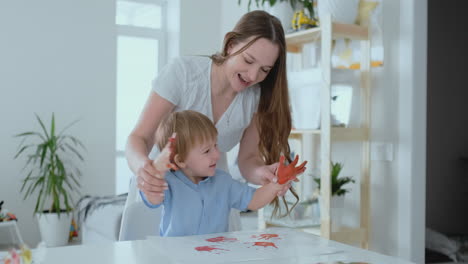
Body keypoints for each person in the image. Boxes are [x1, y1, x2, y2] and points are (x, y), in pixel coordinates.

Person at [120, 10, 295, 239]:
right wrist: (146, 170)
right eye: (248, 60)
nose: (253, 75)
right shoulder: (183, 74)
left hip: (213, 197)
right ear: (231, 44)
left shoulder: (255, 98)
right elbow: (138, 138)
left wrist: (263, 173)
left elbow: (247, 160)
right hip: (160, 187)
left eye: (264, 70)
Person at [142, 110, 303, 237]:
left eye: (216, 146)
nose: (217, 155)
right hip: (175, 257)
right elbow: (152, 198)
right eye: (207, 151)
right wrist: (158, 168)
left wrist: (277, 183)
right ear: (181, 160)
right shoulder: (168, 182)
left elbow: (253, 201)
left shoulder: (223, 181)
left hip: (215, 255)